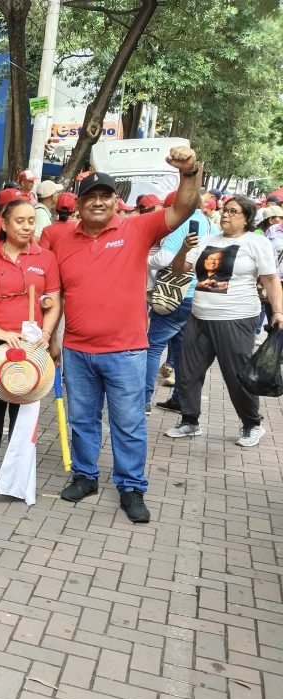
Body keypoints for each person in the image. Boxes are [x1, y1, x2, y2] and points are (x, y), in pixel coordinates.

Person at [45, 148, 201, 524]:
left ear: (117, 202)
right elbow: (55, 290)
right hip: (78, 350)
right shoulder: (58, 236)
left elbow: (184, 207)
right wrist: (50, 337)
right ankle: (85, 476)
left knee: (128, 423)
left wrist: (190, 170)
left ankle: (131, 487)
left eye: (104, 196)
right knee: (82, 420)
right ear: (78, 204)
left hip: (127, 351)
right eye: (89, 197)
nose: (97, 202)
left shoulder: (138, 227)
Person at [165, 195, 283, 446]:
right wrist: (185, 248)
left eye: (233, 211)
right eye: (224, 210)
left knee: (237, 374)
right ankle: (190, 420)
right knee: (189, 371)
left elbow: (271, 279)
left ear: (247, 218)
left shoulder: (256, 243)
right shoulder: (207, 240)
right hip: (199, 316)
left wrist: (278, 312)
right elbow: (178, 269)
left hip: (236, 317)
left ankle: (252, 424)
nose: (226, 215)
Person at [0, 199, 61, 493]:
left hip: (32, 349)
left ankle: (17, 470)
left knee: (22, 411)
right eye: (19, 220)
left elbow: (53, 303)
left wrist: (46, 334)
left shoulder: (46, 259)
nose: (26, 226)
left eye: (31, 220)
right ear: (4, 224)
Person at [144, 199, 216, 413]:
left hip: (175, 296)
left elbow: (164, 258)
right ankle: (178, 400)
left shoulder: (186, 222)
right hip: (197, 295)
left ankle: (144, 399)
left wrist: (145, 260)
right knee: (182, 349)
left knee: (152, 347)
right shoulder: (210, 224)